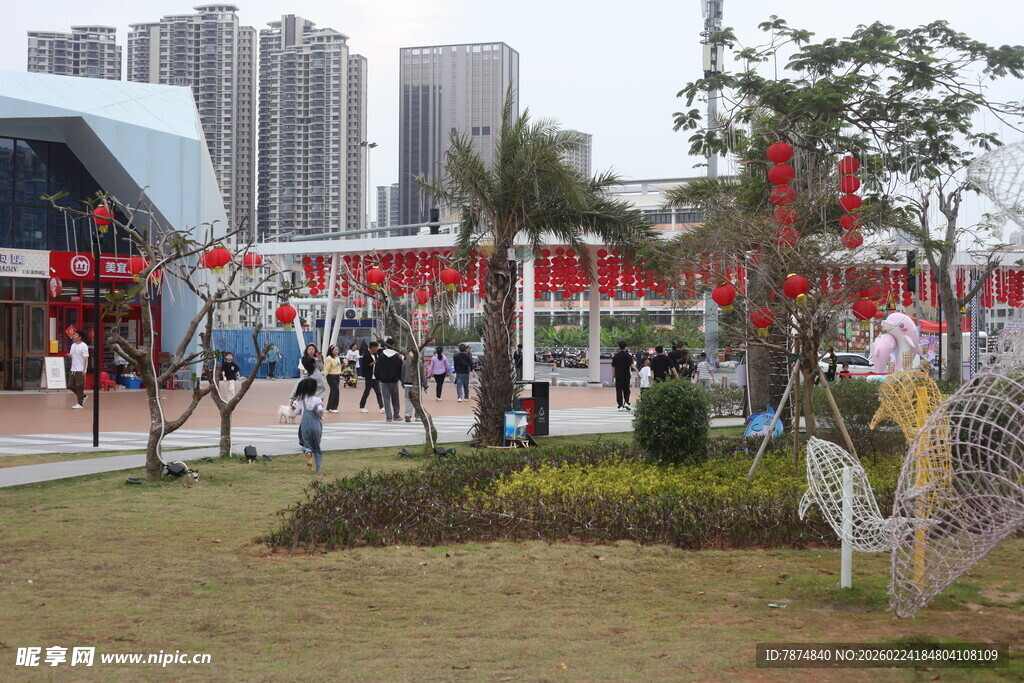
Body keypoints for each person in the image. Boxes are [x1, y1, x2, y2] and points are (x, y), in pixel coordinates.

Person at [293, 378, 325, 472]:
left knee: (307, 444)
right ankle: (318, 468)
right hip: (316, 425)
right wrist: (321, 416)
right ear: (315, 389)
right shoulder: (317, 399)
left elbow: (296, 412)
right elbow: (319, 409)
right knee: (317, 448)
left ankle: (308, 452)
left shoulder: (302, 400)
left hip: (305, 425)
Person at [374, 338, 404, 422]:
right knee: (395, 398)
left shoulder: (381, 356)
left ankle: (389, 417)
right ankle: (396, 415)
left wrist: (378, 378)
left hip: (384, 381)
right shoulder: (397, 357)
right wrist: (400, 379)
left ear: (386, 345)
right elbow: (400, 369)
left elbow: (377, 369)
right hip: (394, 380)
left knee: (386, 399)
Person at [401, 349, 428, 422]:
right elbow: (422, 375)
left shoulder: (404, 363)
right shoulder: (419, 363)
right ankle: (418, 416)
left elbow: (402, 374)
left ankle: (408, 413)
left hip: (407, 383)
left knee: (407, 399)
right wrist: (425, 385)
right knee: (418, 399)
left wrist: (402, 383)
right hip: (417, 384)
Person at [358, 341, 384, 414]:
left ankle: (381, 407)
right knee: (367, 392)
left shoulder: (376, 355)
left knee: (378, 392)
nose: (377, 349)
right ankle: (361, 406)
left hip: (375, 377)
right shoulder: (366, 355)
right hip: (369, 377)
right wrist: (374, 362)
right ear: (372, 347)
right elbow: (365, 366)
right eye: (376, 348)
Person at [611, 341, 637, 411]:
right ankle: (626, 402)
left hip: (618, 375)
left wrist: (613, 375)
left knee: (619, 390)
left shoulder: (616, 356)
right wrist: (638, 371)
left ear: (619, 347)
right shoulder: (628, 355)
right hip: (626, 375)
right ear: (625, 347)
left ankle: (620, 405)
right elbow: (632, 364)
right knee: (626, 389)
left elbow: (613, 367)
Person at [68, 330, 89, 409]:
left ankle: (80, 404)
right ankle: (82, 396)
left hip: (80, 369)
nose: (74, 336)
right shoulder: (73, 345)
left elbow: (85, 358)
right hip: (73, 368)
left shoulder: (84, 346)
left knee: (79, 386)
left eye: (76, 335)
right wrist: (69, 356)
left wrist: (84, 369)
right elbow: (72, 355)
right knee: (70, 385)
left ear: (80, 337)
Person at [323, 345, 343, 413]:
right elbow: (327, 367)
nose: (337, 351)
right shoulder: (329, 358)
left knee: (333, 391)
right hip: (331, 376)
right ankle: (333, 407)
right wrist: (325, 375)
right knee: (336, 391)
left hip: (337, 375)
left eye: (337, 349)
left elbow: (338, 366)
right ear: (331, 351)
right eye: (335, 349)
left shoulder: (337, 357)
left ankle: (328, 407)